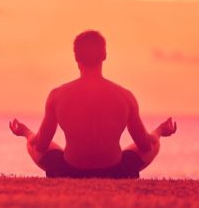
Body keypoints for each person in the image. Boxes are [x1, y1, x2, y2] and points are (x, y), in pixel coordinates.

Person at [9, 30, 177, 178]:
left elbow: (41, 145)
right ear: (104, 55)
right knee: (154, 143)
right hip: (116, 172)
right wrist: (159, 131)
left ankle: (27, 135)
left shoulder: (57, 95)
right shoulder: (125, 96)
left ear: (76, 57)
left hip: (68, 171)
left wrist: (25, 132)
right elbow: (145, 146)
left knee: (33, 144)